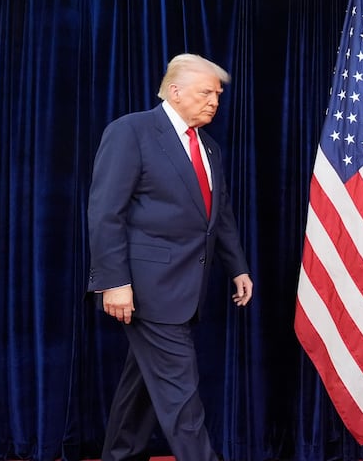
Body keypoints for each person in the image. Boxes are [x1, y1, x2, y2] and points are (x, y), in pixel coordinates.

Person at [87, 53, 253, 461]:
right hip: (146, 288)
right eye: (206, 93)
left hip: (186, 287)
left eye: (217, 95)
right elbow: (106, 211)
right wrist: (114, 282)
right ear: (175, 92)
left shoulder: (209, 148)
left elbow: (220, 216)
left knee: (141, 388)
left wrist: (238, 268)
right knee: (181, 392)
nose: (214, 101)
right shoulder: (132, 131)